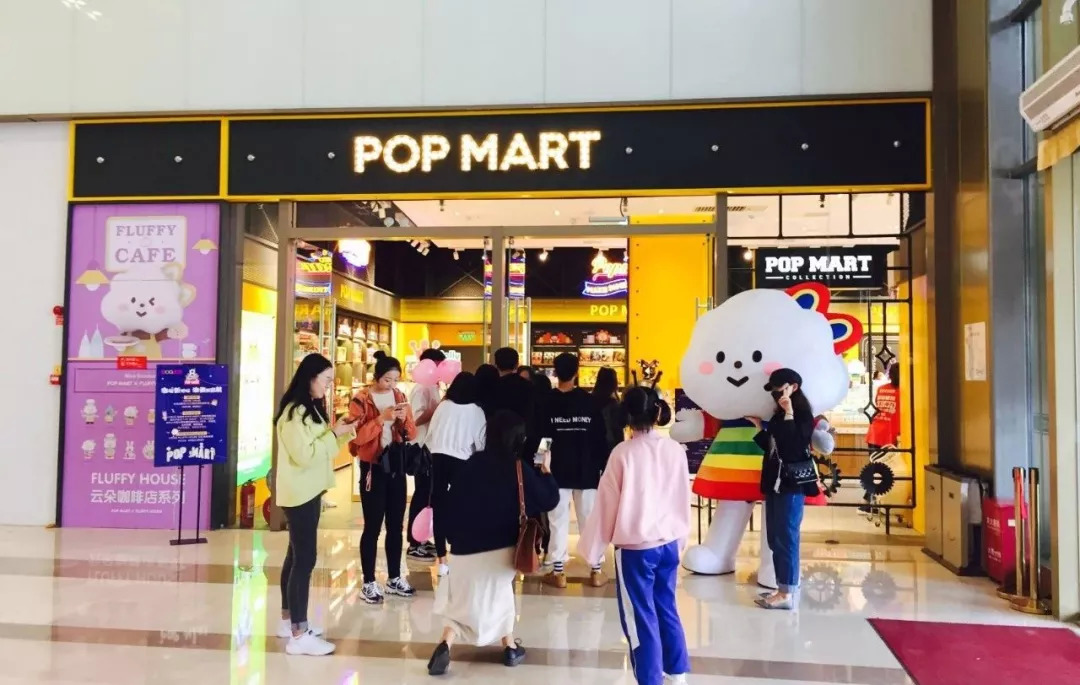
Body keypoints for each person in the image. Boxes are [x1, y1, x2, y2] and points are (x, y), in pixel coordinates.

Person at [427, 411, 560, 676]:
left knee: (460, 597)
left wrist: (446, 546)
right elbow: (549, 500)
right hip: (502, 551)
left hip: (463, 550)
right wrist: (546, 471)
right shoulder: (518, 468)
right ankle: (510, 647)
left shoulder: (469, 465)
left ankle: (445, 643)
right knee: (500, 592)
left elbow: (449, 507)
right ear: (519, 439)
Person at [578, 386, 691, 685]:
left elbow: (606, 505)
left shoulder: (622, 454)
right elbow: (682, 496)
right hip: (669, 542)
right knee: (666, 605)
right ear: (657, 412)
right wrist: (682, 537)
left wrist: (592, 550)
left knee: (640, 616)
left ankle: (650, 678)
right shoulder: (674, 450)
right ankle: (677, 670)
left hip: (636, 549)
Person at [274, 354, 355, 656]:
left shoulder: (309, 408)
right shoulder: (293, 414)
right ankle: (299, 634)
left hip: (308, 490)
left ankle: (288, 621)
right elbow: (305, 455)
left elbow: (323, 448)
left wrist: (340, 432)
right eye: (326, 379)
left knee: (295, 556)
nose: (329, 385)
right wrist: (334, 433)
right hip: (300, 493)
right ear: (310, 377)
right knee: (304, 560)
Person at [348, 351, 418, 604]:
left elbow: (412, 433)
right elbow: (356, 438)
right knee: (373, 526)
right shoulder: (361, 400)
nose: (392, 384)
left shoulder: (400, 397)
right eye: (387, 379)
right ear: (376, 377)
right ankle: (368, 581)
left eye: (396, 379)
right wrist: (381, 419)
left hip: (395, 466)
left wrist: (404, 421)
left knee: (396, 525)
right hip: (372, 468)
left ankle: (394, 577)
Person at [747, 368, 819, 611]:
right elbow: (773, 447)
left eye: (781, 389)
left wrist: (789, 413)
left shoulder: (802, 415)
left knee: (786, 536)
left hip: (791, 484)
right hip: (775, 482)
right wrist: (760, 428)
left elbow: (794, 445)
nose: (777, 394)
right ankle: (782, 587)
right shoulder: (778, 415)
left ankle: (787, 592)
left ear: (793, 387)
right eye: (774, 390)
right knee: (775, 537)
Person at [540, 352, 610, 588]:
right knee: (589, 519)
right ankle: (596, 570)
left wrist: (540, 464)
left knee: (557, 520)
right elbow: (600, 438)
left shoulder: (546, 402)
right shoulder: (589, 402)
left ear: (555, 372)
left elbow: (542, 439)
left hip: (556, 471)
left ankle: (558, 572)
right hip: (587, 470)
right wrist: (602, 467)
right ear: (577, 372)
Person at [425, 372, 487, 575]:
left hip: (437, 458)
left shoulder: (443, 406)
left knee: (439, 506)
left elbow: (430, 435)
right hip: (462, 462)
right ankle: (461, 552)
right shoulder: (476, 411)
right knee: (463, 507)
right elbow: (481, 444)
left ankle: (442, 560)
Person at [407, 348, 446, 562]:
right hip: (421, 447)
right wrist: (438, 409)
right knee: (422, 494)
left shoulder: (433, 386)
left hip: (431, 446)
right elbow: (415, 419)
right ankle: (414, 543)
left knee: (428, 494)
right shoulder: (421, 388)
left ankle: (421, 537)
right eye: (439, 365)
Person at [491, 347, 537, 446]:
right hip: (523, 439)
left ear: (496, 365)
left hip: (497, 439)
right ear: (517, 364)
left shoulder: (491, 387)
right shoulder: (528, 386)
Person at [591, 366, 625, 457]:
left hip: (592, 443)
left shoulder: (589, 400)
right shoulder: (614, 404)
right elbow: (618, 429)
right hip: (610, 444)